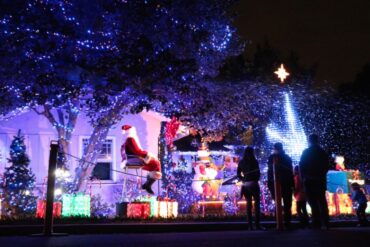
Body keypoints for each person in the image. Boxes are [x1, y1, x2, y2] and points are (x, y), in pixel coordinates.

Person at [299, 134, 329, 229]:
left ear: (309, 141)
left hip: (309, 180)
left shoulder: (306, 152)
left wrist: (303, 178)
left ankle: (316, 222)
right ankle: (325, 222)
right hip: (320, 180)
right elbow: (326, 165)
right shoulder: (322, 152)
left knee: (313, 202)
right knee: (322, 201)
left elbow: (301, 166)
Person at [121, 125, 162, 194]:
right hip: (133, 159)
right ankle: (147, 185)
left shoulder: (128, 139)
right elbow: (137, 151)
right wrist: (147, 155)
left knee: (155, 164)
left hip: (132, 158)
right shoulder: (130, 139)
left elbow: (136, 151)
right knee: (156, 163)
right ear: (131, 131)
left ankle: (147, 185)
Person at [267, 142, 294, 229]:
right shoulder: (287, 158)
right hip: (286, 183)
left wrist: (269, 183)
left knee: (278, 203)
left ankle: (279, 222)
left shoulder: (272, 157)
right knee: (287, 204)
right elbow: (290, 172)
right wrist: (292, 184)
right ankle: (287, 222)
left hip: (276, 183)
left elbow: (270, 171)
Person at [237, 147, 264, 230]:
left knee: (248, 205)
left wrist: (243, 179)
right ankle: (257, 225)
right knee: (257, 204)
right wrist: (256, 179)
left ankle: (250, 225)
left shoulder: (241, 162)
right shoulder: (254, 161)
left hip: (245, 185)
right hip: (254, 184)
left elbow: (238, 174)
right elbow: (258, 173)